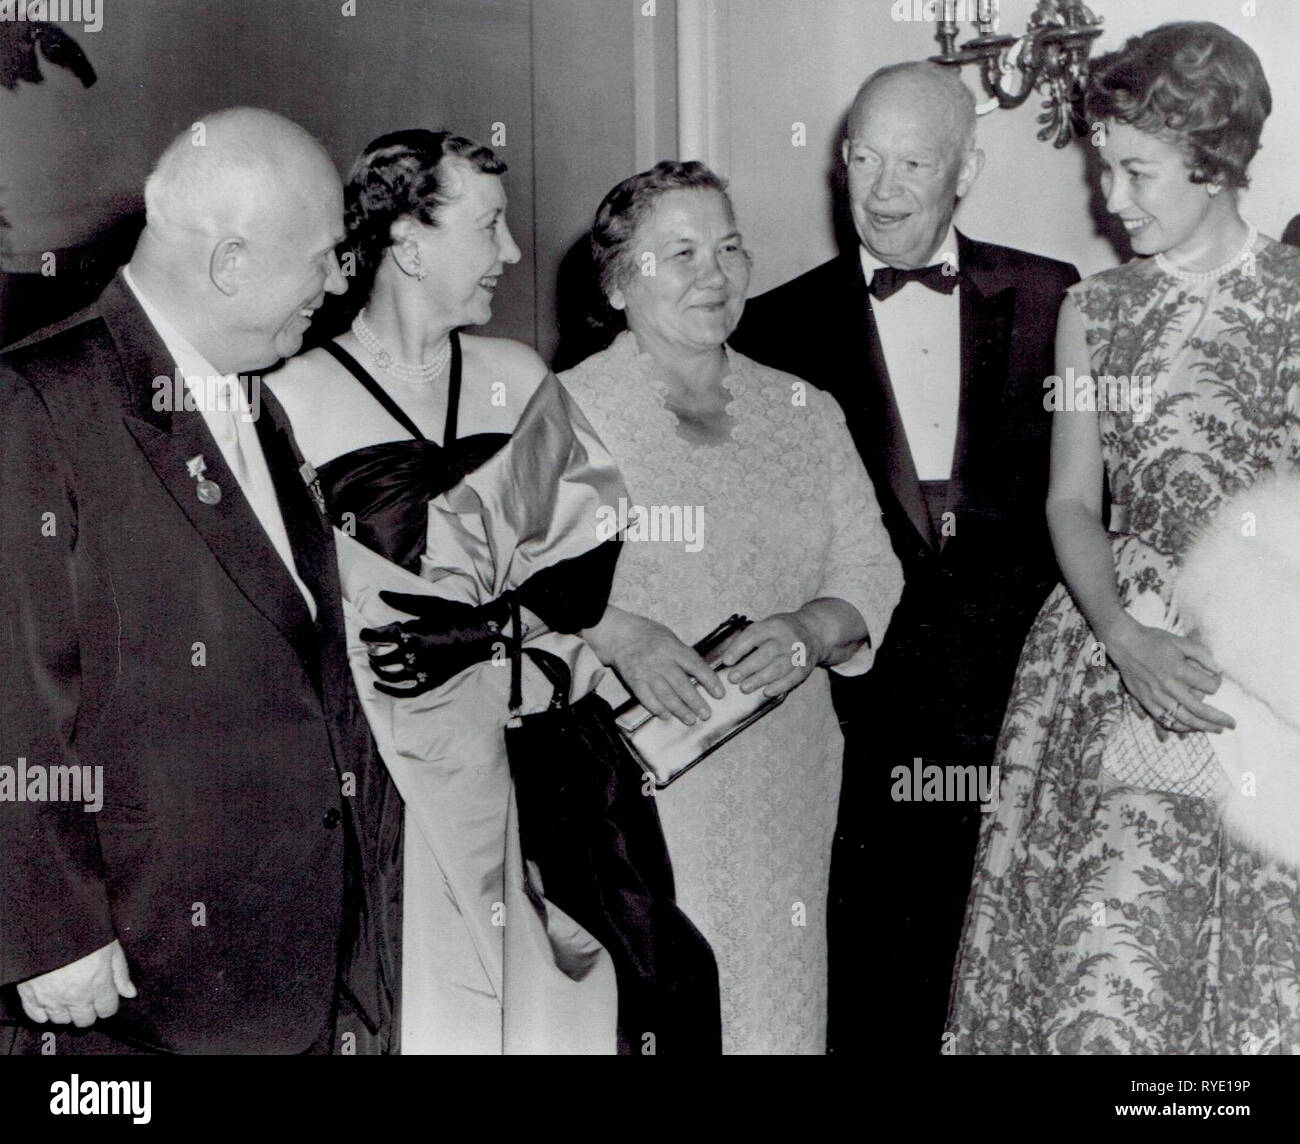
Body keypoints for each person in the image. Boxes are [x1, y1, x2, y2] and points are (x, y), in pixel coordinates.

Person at [270, 129, 677, 1054]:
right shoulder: (291, 398)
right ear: (408, 243)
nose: (514, 253)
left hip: (542, 757)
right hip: (392, 781)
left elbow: (587, 560)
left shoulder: (518, 376)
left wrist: (489, 630)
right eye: (490, 226)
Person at [0, 108, 397, 1053]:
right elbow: (8, 692)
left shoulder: (255, 404)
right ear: (230, 264)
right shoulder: (38, 404)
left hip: (287, 969)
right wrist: (50, 934)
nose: (341, 283)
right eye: (326, 257)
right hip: (129, 990)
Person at [949, 21, 1300, 1054]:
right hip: (1112, 658)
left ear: (1212, 158)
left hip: (1267, 662)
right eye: (1106, 168)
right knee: (1108, 979)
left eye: (1136, 171)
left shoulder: (1293, 300)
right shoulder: (1092, 311)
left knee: (1253, 993)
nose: (1112, 198)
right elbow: (1071, 504)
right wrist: (1118, 633)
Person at [730, 61, 1079, 1054]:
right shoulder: (774, 328)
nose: (880, 191)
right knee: (878, 996)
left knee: (1017, 991)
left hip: (1022, 720)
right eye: (862, 159)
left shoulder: (1055, 299)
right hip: (858, 727)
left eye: (912, 163)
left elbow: (1088, 504)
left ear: (965, 170)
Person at [560, 160, 904, 1054]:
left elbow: (873, 567)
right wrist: (618, 631)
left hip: (789, 770)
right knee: (668, 1014)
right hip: (638, 784)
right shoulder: (565, 410)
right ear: (616, 279)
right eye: (679, 253)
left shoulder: (805, 408)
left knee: (781, 1009)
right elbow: (504, 586)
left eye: (729, 246)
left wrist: (808, 631)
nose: (713, 274)